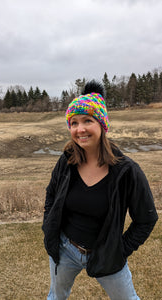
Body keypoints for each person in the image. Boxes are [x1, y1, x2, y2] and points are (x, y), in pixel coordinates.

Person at [42, 80, 158, 300]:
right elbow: (51, 196)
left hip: (106, 254)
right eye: (74, 123)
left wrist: (119, 250)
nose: (80, 129)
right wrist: (49, 229)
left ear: (102, 125)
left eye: (88, 120)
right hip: (65, 249)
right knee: (56, 297)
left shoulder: (127, 171)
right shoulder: (66, 161)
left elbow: (146, 219)